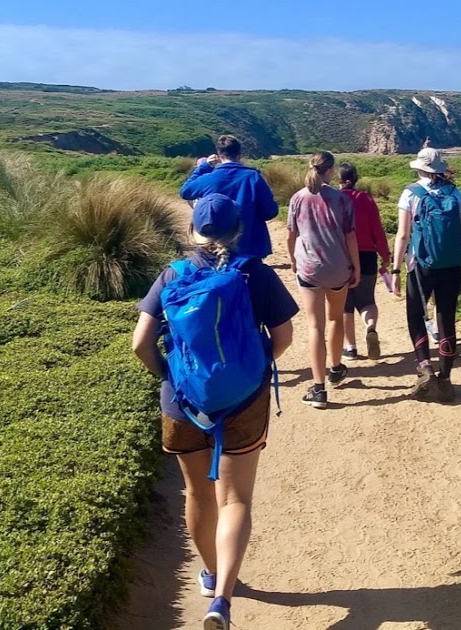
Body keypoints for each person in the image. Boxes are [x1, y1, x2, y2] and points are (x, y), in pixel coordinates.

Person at [132, 193, 298, 630]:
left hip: (182, 402)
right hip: (243, 400)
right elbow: (283, 337)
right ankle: (222, 597)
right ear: (239, 231)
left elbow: (139, 344)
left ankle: (208, 574)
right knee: (236, 497)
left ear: (193, 232)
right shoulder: (254, 274)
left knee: (198, 494)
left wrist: (170, 376)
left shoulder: (173, 274)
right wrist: (257, 365)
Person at [391, 146, 461, 403]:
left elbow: (402, 234)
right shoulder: (455, 193)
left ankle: (425, 368)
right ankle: (445, 380)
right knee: (446, 317)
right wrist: (457, 257)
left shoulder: (411, 193)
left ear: (420, 168)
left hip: (420, 265)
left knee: (416, 314)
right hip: (451, 264)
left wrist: (396, 268)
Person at [286, 151, 359, 409]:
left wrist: (294, 260)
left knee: (314, 326)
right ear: (331, 170)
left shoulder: (297, 198)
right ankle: (336, 368)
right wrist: (356, 268)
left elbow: (291, 235)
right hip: (338, 268)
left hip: (309, 269)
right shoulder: (341, 199)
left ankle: (318, 389)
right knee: (335, 318)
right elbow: (351, 237)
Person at [179, 135, 279, 259]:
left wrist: (204, 167)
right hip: (250, 247)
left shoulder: (208, 178)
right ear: (240, 154)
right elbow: (270, 212)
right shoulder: (253, 177)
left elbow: (185, 191)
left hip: (215, 247)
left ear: (219, 156)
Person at [337, 162, 392, 362]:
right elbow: (377, 229)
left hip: (341, 257)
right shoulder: (366, 199)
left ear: (339, 180)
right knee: (367, 300)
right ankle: (370, 327)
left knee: (345, 305)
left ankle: (350, 348)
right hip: (367, 256)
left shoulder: (335, 199)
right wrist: (385, 256)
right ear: (356, 178)